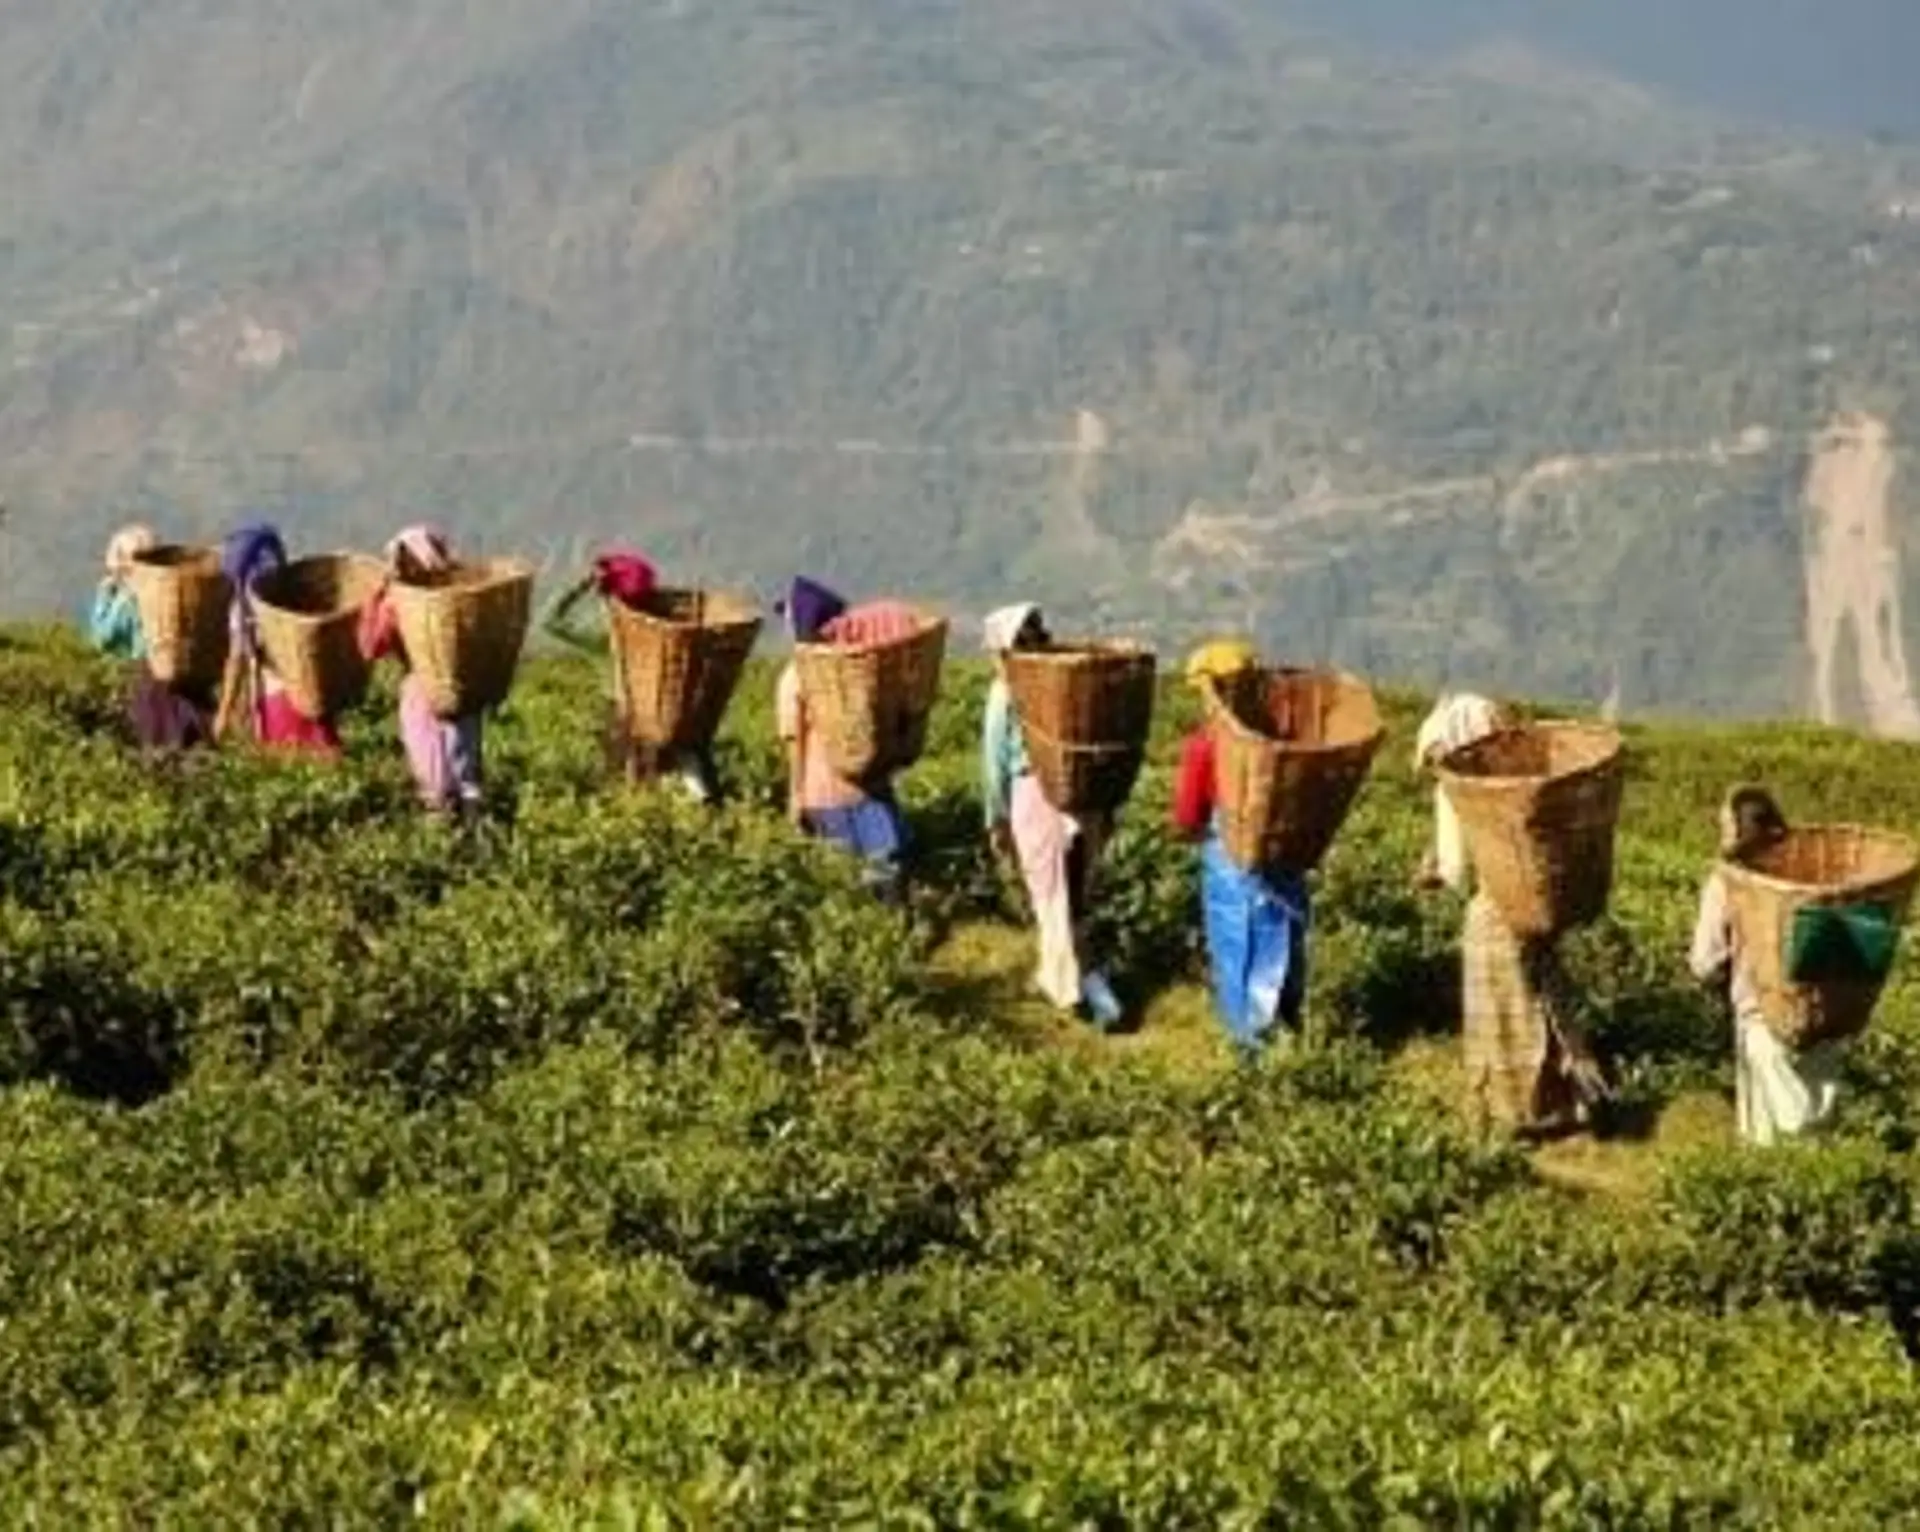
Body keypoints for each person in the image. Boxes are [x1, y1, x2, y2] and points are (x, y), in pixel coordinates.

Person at [1415, 692, 1609, 1136]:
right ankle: (1569, 1102)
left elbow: (1453, 869)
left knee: (1502, 1017)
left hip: (1493, 915)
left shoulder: (1459, 791)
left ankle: (1516, 1111)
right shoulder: (1526, 779)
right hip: (1535, 909)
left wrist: (1430, 876)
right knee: (1544, 1002)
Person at [980, 603, 1124, 1029]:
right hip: (1085, 798)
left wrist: (996, 816)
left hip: (1034, 796)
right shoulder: (1073, 685)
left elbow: (993, 763)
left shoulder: (1006, 692)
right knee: (1078, 895)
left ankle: (1074, 994)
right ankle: (1081, 981)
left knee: (1051, 898)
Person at [1170, 639, 1307, 1054]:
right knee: (1283, 940)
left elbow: (1188, 815)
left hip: (1229, 858)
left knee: (1237, 946)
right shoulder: (1280, 740)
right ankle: (1288, 1031)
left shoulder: (1206, 744)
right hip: (1284, 860)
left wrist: (1189, 833)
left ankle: (1249, 1046)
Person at [1688, 786, 1844, 1146]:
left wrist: (1721, 978)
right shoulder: (1814, 876)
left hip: (1762, 1019)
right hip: (1823, 1021)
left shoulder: (1728, 884)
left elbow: (1704, 962)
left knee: (1767, 1141)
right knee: (1818, 1141)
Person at [543, 550, 721, 800]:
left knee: (627, 786)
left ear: (610, 600)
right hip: (675, 716)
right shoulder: (672, 638)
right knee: (682, 778)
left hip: (623, 718)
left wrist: (581, 586)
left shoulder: (608, 640)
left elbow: (551, 620)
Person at [774, 576, 910, 903]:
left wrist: (795, 798)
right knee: (886, 865)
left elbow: (795, 743)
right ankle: (895, 937)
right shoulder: (855, 669)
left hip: (823, 793)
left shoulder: (795, 677)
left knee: (845, 877)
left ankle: (863, 940)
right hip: (869, 784)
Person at [358, 525, 487, 824]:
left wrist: (371, 604)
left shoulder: (397, 604)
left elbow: (371, 647)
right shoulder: (461, 595)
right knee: (465, 767)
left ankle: (442, 837)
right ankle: (473, 835)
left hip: (422, 690)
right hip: (462, 684)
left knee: (434, 777)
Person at [214, 522, 342, 756]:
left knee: (287, 761)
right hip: (310, 693)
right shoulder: (296, 592)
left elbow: (237, 660)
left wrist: (223, 714)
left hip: (276, 700)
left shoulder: (244, 606)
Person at [88, 524, 218, 755]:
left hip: (148, 673)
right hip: (181, 671)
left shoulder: (130, 597)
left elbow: (103, 637)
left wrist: (105, 597)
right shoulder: (173, 591)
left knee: (154, 738)